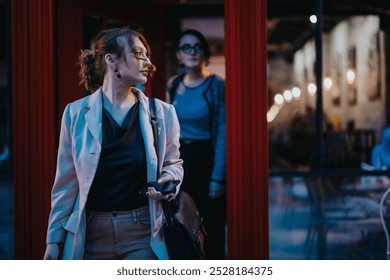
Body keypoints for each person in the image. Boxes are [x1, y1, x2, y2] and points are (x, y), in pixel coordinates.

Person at [44, 27, 183, 260]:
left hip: (143, 233)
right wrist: (53, 240)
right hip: (89, 234)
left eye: (148, 55)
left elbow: (173, 163)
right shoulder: (75, 114)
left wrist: (169, 180)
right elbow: (66, 184)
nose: (148, 62)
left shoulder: (162, 113)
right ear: (111, 60)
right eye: (139, 54)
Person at [166, 29, 226, 259]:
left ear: (204, 52)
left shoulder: (215, 85)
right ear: (179, 55)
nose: (192, 51)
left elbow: (223, 132)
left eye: (197, 46)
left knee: (212, 225)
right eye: (186, 47)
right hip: (180, 159)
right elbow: (167, 128)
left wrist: (218, 176)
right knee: (182, 221)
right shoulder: (174, 85)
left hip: (207, 158)